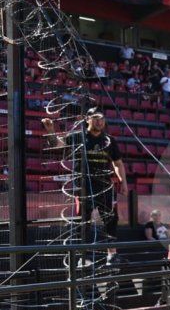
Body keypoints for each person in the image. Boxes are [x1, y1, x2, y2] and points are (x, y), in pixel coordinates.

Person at [42, 109, 127, 266]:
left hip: (104, 185)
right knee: (82, 221)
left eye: (101, 118)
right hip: (83, 187)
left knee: (111, 219)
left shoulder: (109, 140)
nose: (99, 121)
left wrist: (123, 182)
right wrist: (50, 130)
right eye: (95, 118)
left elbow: (118, 163)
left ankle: (112, 255)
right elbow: (56, 144)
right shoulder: (77, 136)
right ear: (87, 119)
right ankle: (81, 257)